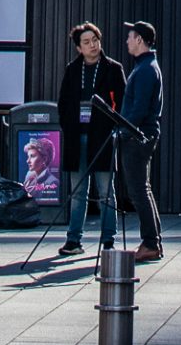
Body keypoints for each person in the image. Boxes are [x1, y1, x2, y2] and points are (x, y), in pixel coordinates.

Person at [54, 22, 125, 258]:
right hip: (77, 136)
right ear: (78, 48)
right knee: (77, 191)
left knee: (106, 190)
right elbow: (63, 103)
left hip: (102, 136)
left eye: (95, 40)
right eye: (86, 42)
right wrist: (68, 126)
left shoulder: (113, 68)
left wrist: (113, 127)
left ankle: (108, 240)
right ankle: (74, 240)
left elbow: (121, 103)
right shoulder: (72, 70)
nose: (92, 45)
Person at [121, 23, 166, 264]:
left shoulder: (146, 69)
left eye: (130, 37)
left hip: (139, 136)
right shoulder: (146, 66)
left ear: (139, 39)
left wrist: (123, 131)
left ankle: (151, 243)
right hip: (142, 134)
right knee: (142, 189)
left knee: (138, 190)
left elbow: (139, 109)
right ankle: (152, 241)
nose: (127, 41)